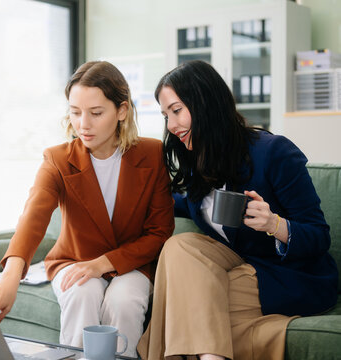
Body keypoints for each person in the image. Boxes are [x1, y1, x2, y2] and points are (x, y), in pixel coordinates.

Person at [137, 60, 338, 360]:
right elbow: (185, 203)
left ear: (205, 102)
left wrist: (275, 224)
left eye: (177, 111)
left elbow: (319, 236)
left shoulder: (273, 153)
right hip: (237, 265)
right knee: (179, 245)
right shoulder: (197, 162)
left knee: (188, 300)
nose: (171, 125)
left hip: (287, 276)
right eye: (166, 115)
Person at [0, 60, 175, 357]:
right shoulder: (58, 159)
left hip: (131, 264)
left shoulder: (152, 153)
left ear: (121, 111)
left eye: (96, 113)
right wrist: (11, 276)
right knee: (82, 293)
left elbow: (159, 233)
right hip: (73, 260)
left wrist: (102, 264)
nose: (83, 124)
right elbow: (34, 216)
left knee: (124, 301)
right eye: (75, 111)